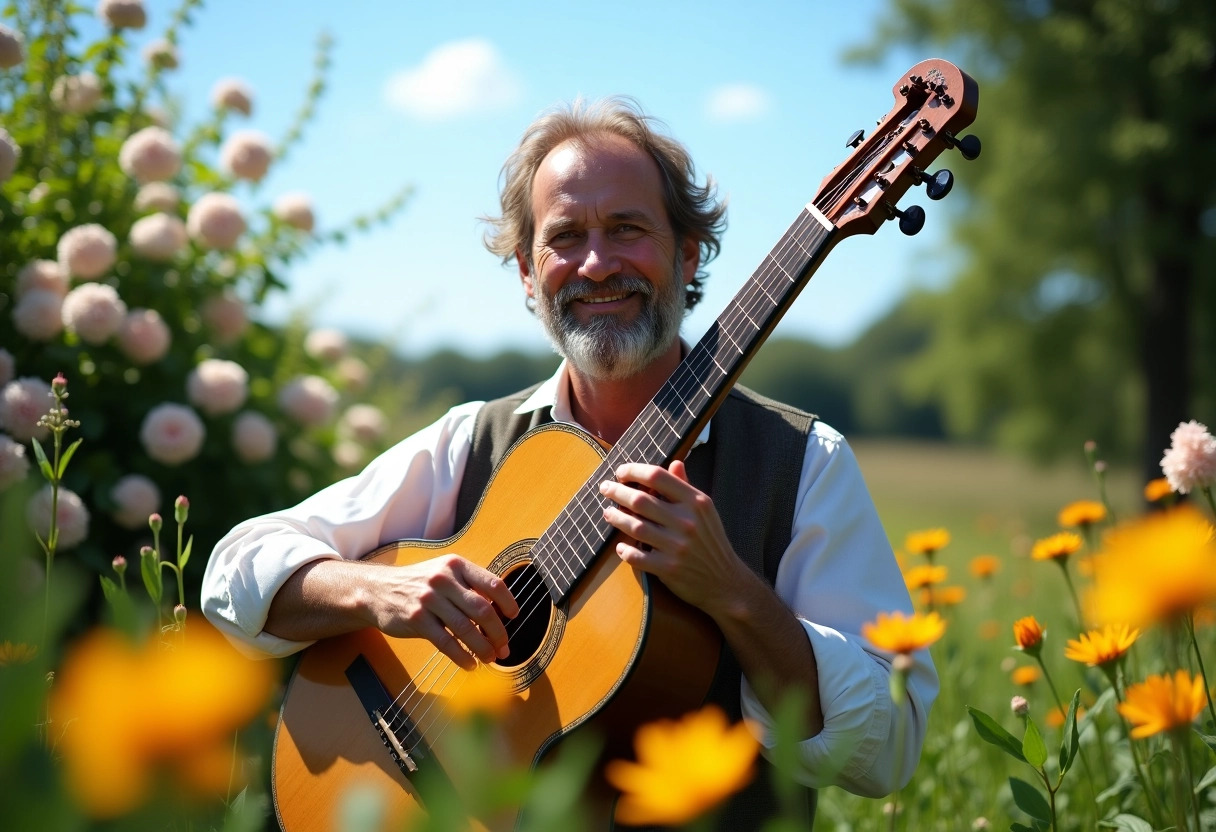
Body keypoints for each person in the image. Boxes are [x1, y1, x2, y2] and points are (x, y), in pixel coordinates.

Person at [201, 97, 936, 827]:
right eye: (565, 238)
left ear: (688, 254)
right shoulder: (473, 440)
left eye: (627, 229)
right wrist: (376, 593)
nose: (596, 264)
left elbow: (889, 750)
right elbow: (236, 572)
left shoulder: (802, 460)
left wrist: (733, 593)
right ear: (527, 271)